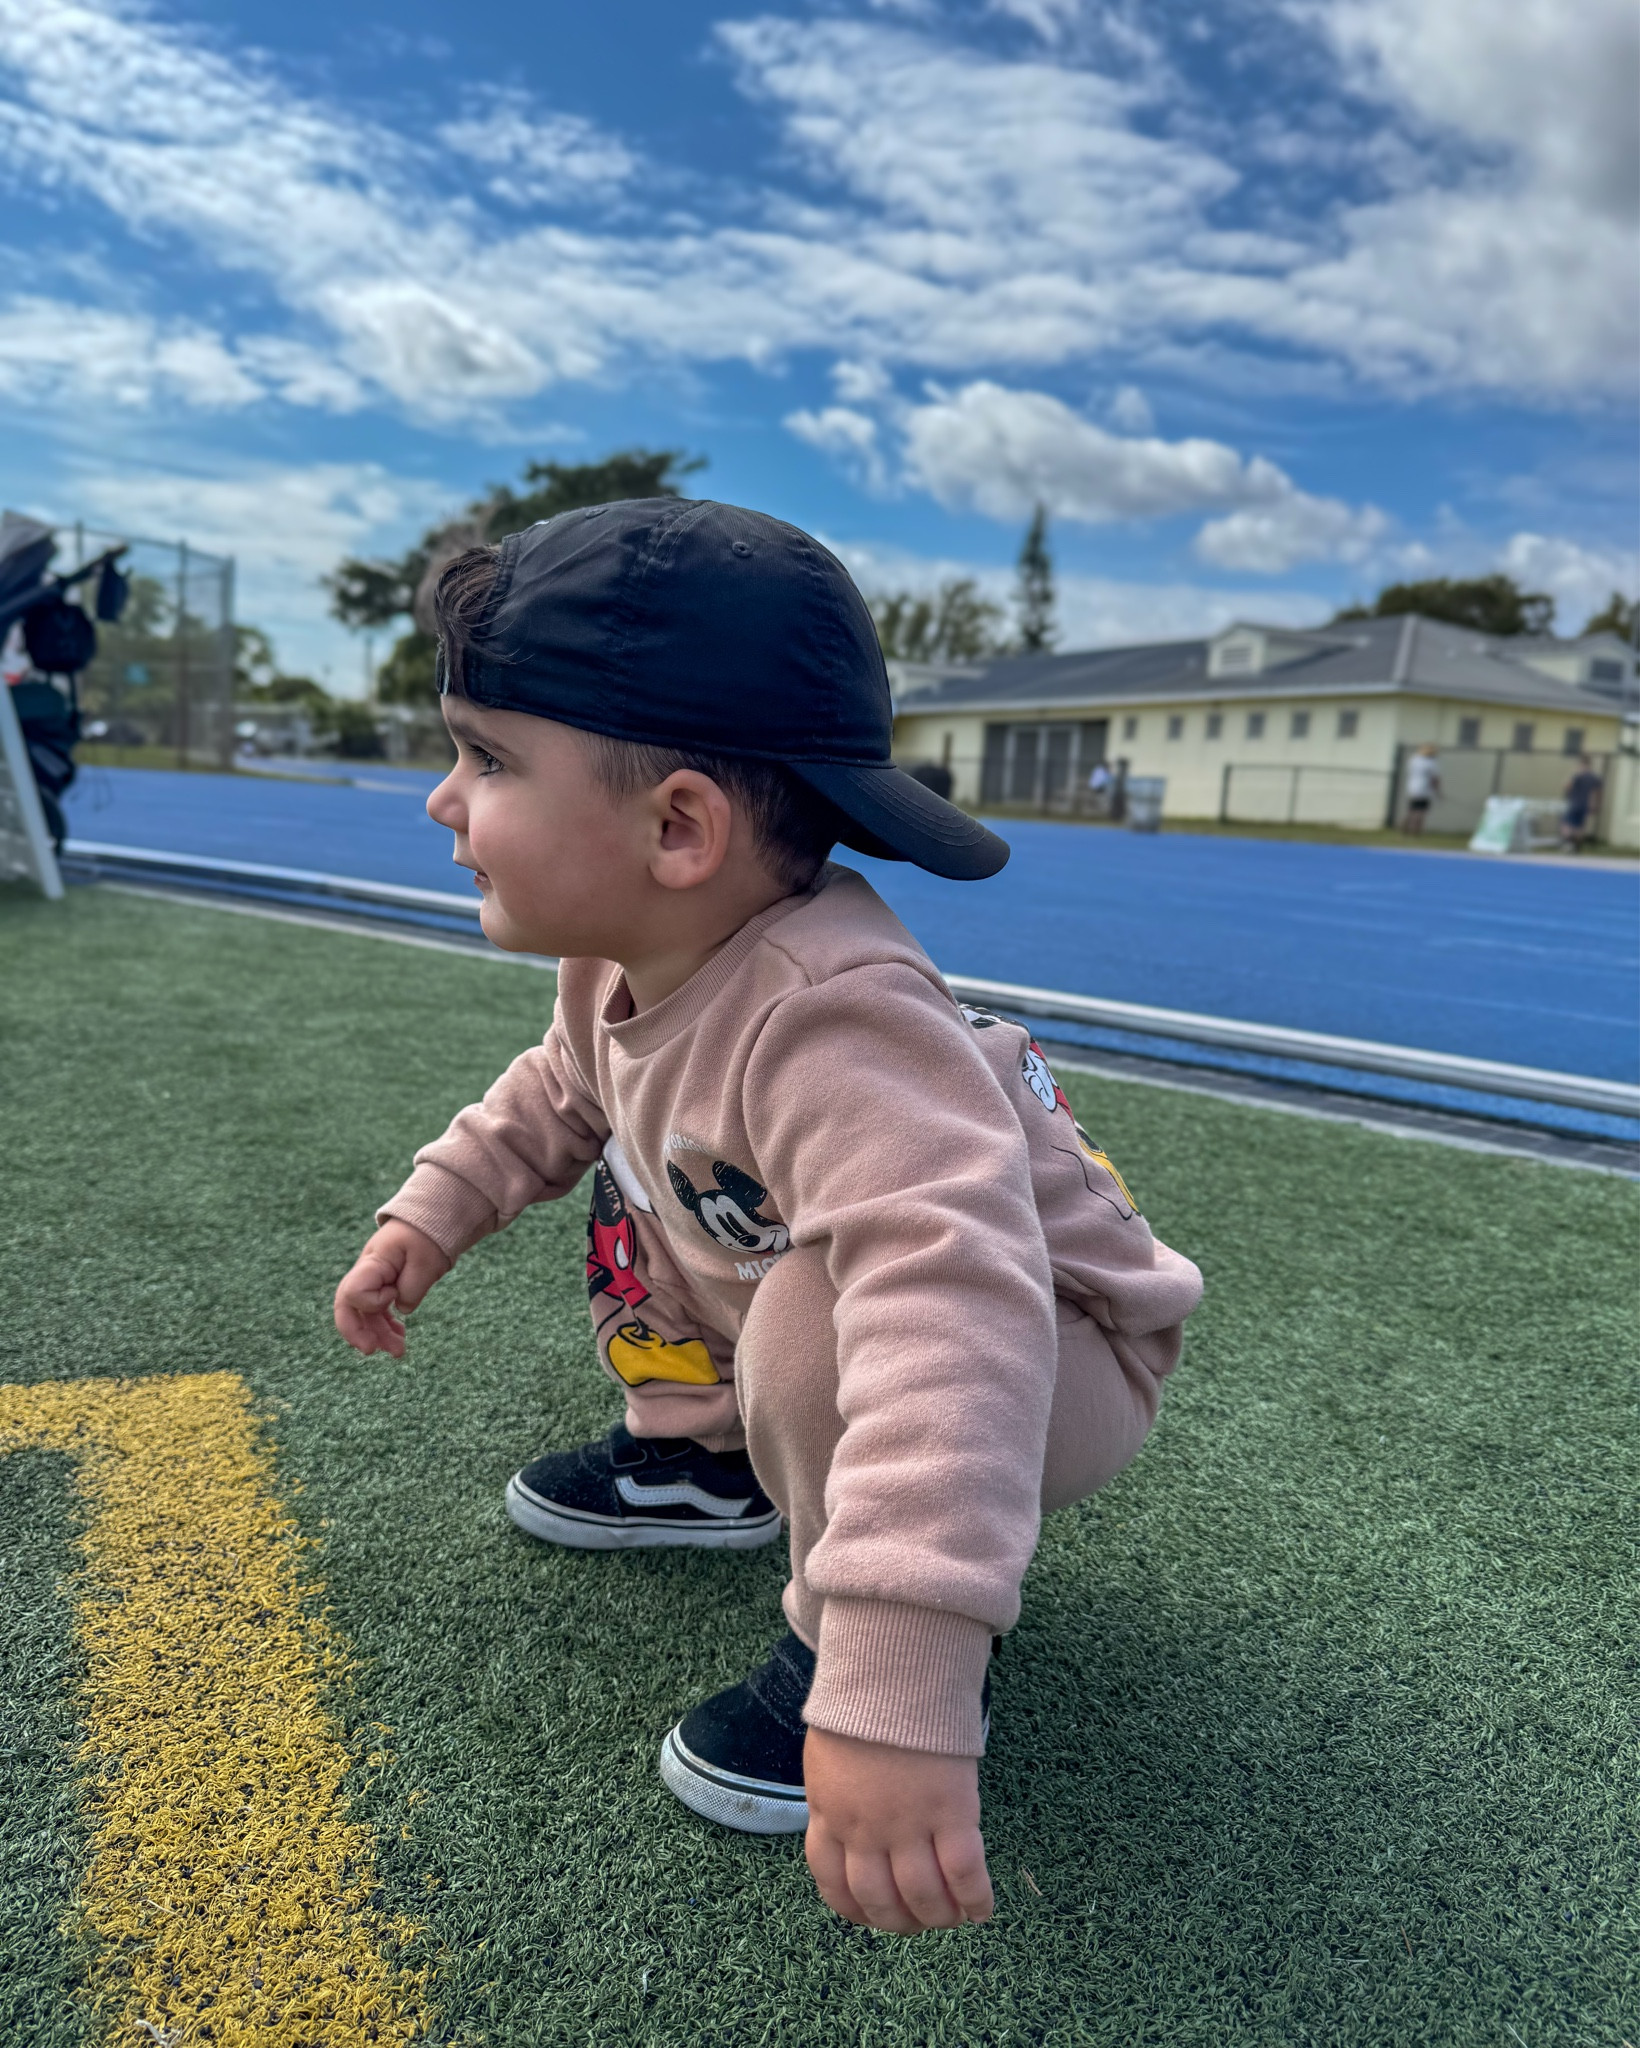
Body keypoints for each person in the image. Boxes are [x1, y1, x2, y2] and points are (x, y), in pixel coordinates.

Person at [332, 501, 1202, 1936]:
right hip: (885, 1303)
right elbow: (555, 1093)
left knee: (819, 1303)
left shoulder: (837, 1019)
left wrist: (897, 1679)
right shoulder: (623, 964)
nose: (444, 798)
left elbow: (955, 1303)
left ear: (679, 825)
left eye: (486, 758)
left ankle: (843, 1628)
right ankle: (706, 1465)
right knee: (640, 1161)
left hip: (1054, 1356)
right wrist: (430, 1216)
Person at [1560, 755, 1603, 851]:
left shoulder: (1577, 775)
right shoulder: (1594, 777)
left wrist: (1572, 777)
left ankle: (1568, 842)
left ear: (1581, 764)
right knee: (1579, 825)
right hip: (1585, 804)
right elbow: (1597, 793)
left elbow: (1566, 786)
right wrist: (1595, 805)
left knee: (1566, 823)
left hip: (1574, 803)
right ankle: (1577, 845)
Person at [1401, 743, 1441, 833]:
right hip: (1424, 789)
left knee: (1411, 810)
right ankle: (1416, 830)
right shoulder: (1431, 762)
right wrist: (1438, 791)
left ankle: (1405, 827)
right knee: (1421, 811)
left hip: (1412, 788)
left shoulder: (1414, 760)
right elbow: (1435, 779)